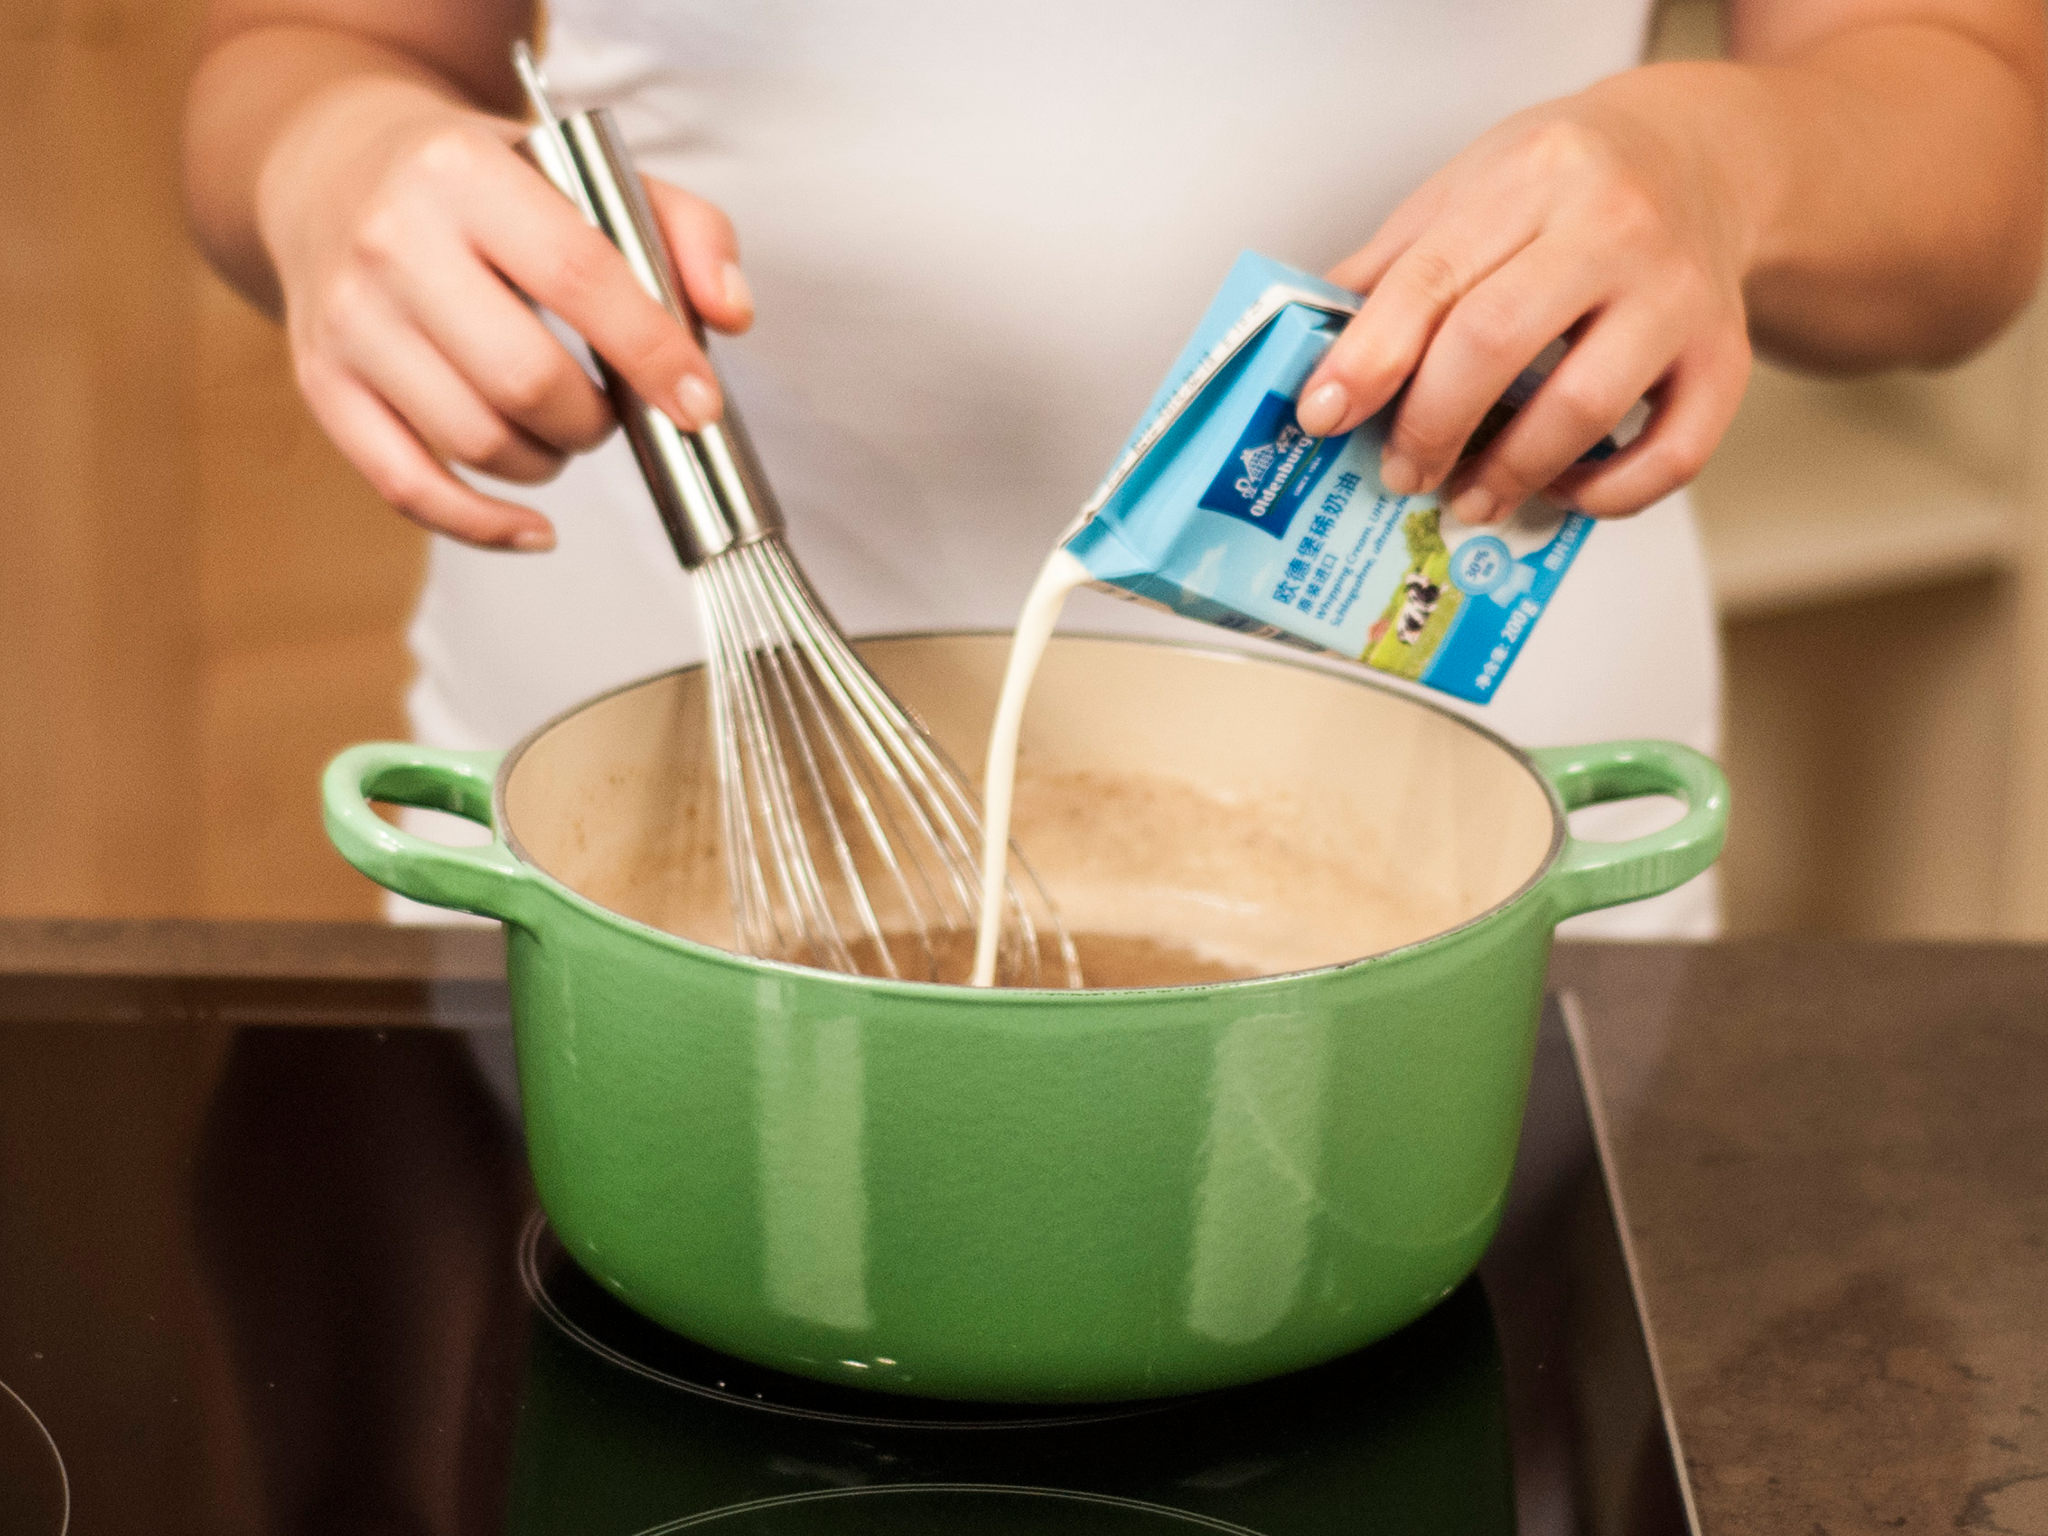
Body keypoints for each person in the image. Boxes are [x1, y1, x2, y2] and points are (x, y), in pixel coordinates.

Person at [183, 0, 2043, 938]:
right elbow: (297, 48)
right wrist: (332, 158)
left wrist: (1725, 161)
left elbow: (1970, 118)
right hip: (632, 855)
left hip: (1481, 869)